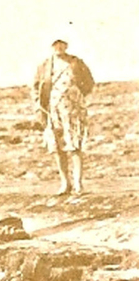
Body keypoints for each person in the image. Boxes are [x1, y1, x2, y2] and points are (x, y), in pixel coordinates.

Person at [32, 40, 96, 196]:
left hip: (74, 111)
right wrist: (39, 107)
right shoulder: (45, 65)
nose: (59, 47)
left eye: (62, 44)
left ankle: (78, 184)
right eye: (55, 44)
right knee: (57, 147)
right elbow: (36, 87)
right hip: (53, 111)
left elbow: (89, 83)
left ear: (66, 45)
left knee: (75, 145)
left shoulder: (76, 62)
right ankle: (65, 183)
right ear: (51, 46)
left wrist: (78, 98)